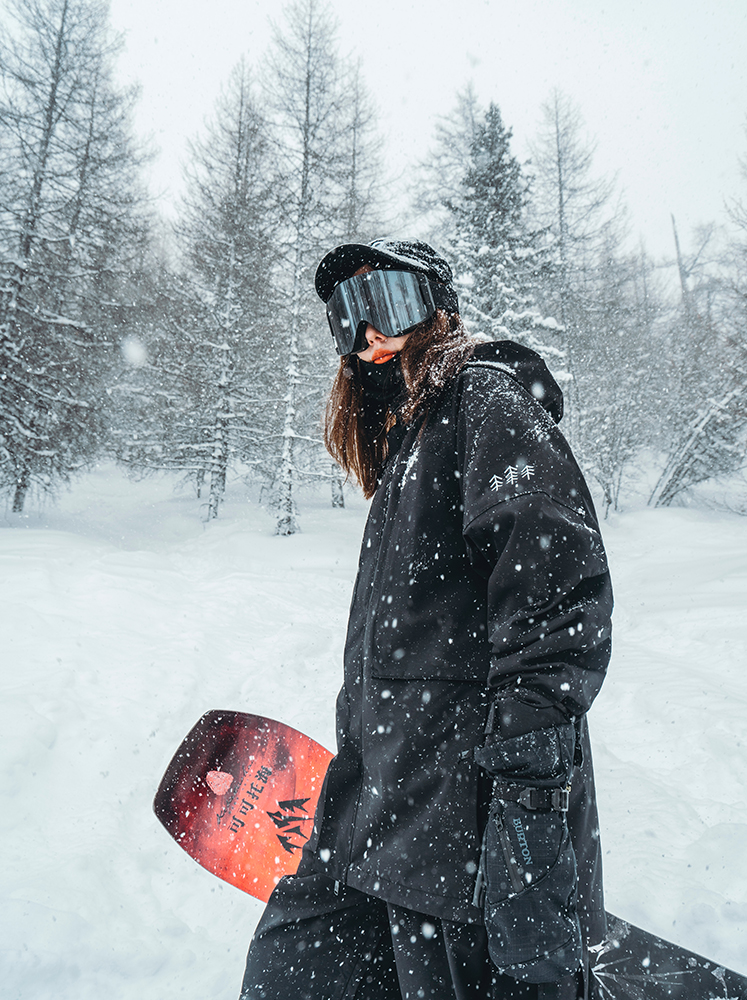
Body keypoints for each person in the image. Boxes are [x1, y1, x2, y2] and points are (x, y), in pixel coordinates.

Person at [239, 239, 613, 1000]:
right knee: (285, 973)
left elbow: (558, 594)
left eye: (390, 302)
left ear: (438, 308)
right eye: (348, 315)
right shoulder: (412, 441)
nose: (370, 332)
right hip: (371, 814)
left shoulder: (487, 401)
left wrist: (529, 806)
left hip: (461, 829)